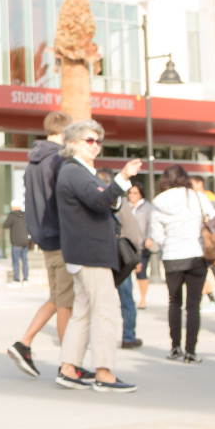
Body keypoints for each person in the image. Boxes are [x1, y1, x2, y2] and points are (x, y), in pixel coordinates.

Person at [53, 121, 140, 393]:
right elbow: (100, 201)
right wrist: (123, 177)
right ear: (74, 143)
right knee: (105, 311)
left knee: (84, 312)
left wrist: (113, 190)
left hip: (85, 252)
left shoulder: (77, 172)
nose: (96, 145)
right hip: (91, 253)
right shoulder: (75, 171)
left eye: (98, 141)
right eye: (90, 140)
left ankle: (69, 368)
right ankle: (104, 372)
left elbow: (102, 201)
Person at [7, 111, 73, 378]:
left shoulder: (34, 161)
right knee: (66, 301)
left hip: (44, 237)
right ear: (66, 131)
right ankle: (68, 363)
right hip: (61, 237)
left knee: (58, 298)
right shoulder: (59, 159)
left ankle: (24, 343)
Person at [147, 164, 215, 364]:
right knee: (193, 305)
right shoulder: (196, 197)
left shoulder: (159, 201)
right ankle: (191, 351)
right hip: (196, 254)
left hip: (172, 255)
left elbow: (157, 235)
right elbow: (213, 220)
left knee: (174, 302)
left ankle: (175, 347)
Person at [109, 173, 144, 349]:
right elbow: (132, 231)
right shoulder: (120, 203)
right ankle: (128, 336)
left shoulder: (96, 200)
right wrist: (136, 255)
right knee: (126, 299)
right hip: (120, 258)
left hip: (107, 257)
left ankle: (101, 336)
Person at [190, 175, 215, 312]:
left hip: (204, 242)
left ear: (200, 183)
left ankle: (210, 301)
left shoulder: (207, 198)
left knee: (205, 274)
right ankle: (207, 300)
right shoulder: (193, 197)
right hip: (198, 242)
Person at [127, 183, 153, 309]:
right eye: (130, 193)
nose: (132, 195)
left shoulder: (147, 207)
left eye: (135, 193)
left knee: (141, 272)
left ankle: (143, 299)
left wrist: (149, 237)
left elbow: (152, 223)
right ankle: (128, 298)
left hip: (142, 244)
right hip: (127, 244)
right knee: (126, 273)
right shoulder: (125, 206)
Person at [3, 203, 30, 287]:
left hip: (16, 242)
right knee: (25, 261)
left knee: (16, 262)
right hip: (25, 242)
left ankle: (16, 279)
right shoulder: (25, 215)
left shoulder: (12, 215)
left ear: (14, 207)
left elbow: (5, 225)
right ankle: (25, 280)